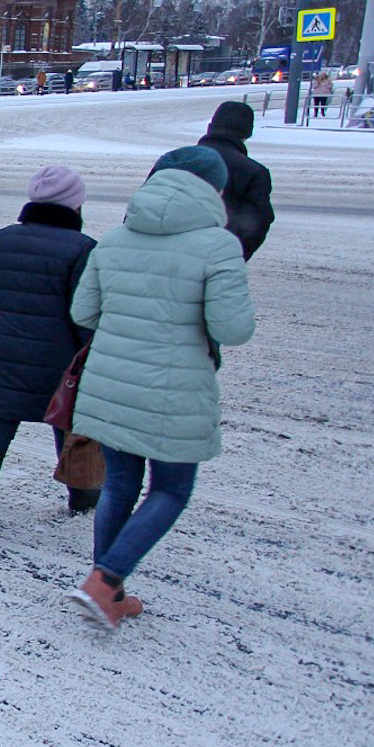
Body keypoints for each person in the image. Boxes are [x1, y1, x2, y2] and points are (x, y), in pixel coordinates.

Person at [65, 146, 255, 627]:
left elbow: (82, 313)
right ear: (214, 190)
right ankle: (105, 580)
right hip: (174, 392)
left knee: (120, 486)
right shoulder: (218, 246)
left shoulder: (114, 241)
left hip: (112, 385)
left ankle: (109, 591)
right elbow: (233, 329)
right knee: (170, 490)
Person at [0, 165, 96, 540]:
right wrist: (82, 347)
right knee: (66, 423)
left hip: (3, 348)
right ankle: (81, 497)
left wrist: (9, 320)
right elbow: (84, 311)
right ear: (74, 204)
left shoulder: (3, 239)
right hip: (61, 358)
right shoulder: (83, 249)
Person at [195, 99, 275, 259]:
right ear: (247, 133)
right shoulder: (254, 172)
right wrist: (233, 259)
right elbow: (256, 224)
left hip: (159, 264)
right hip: (215, 257)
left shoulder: (174, 160)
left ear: (210, 128)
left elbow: (142, 209)